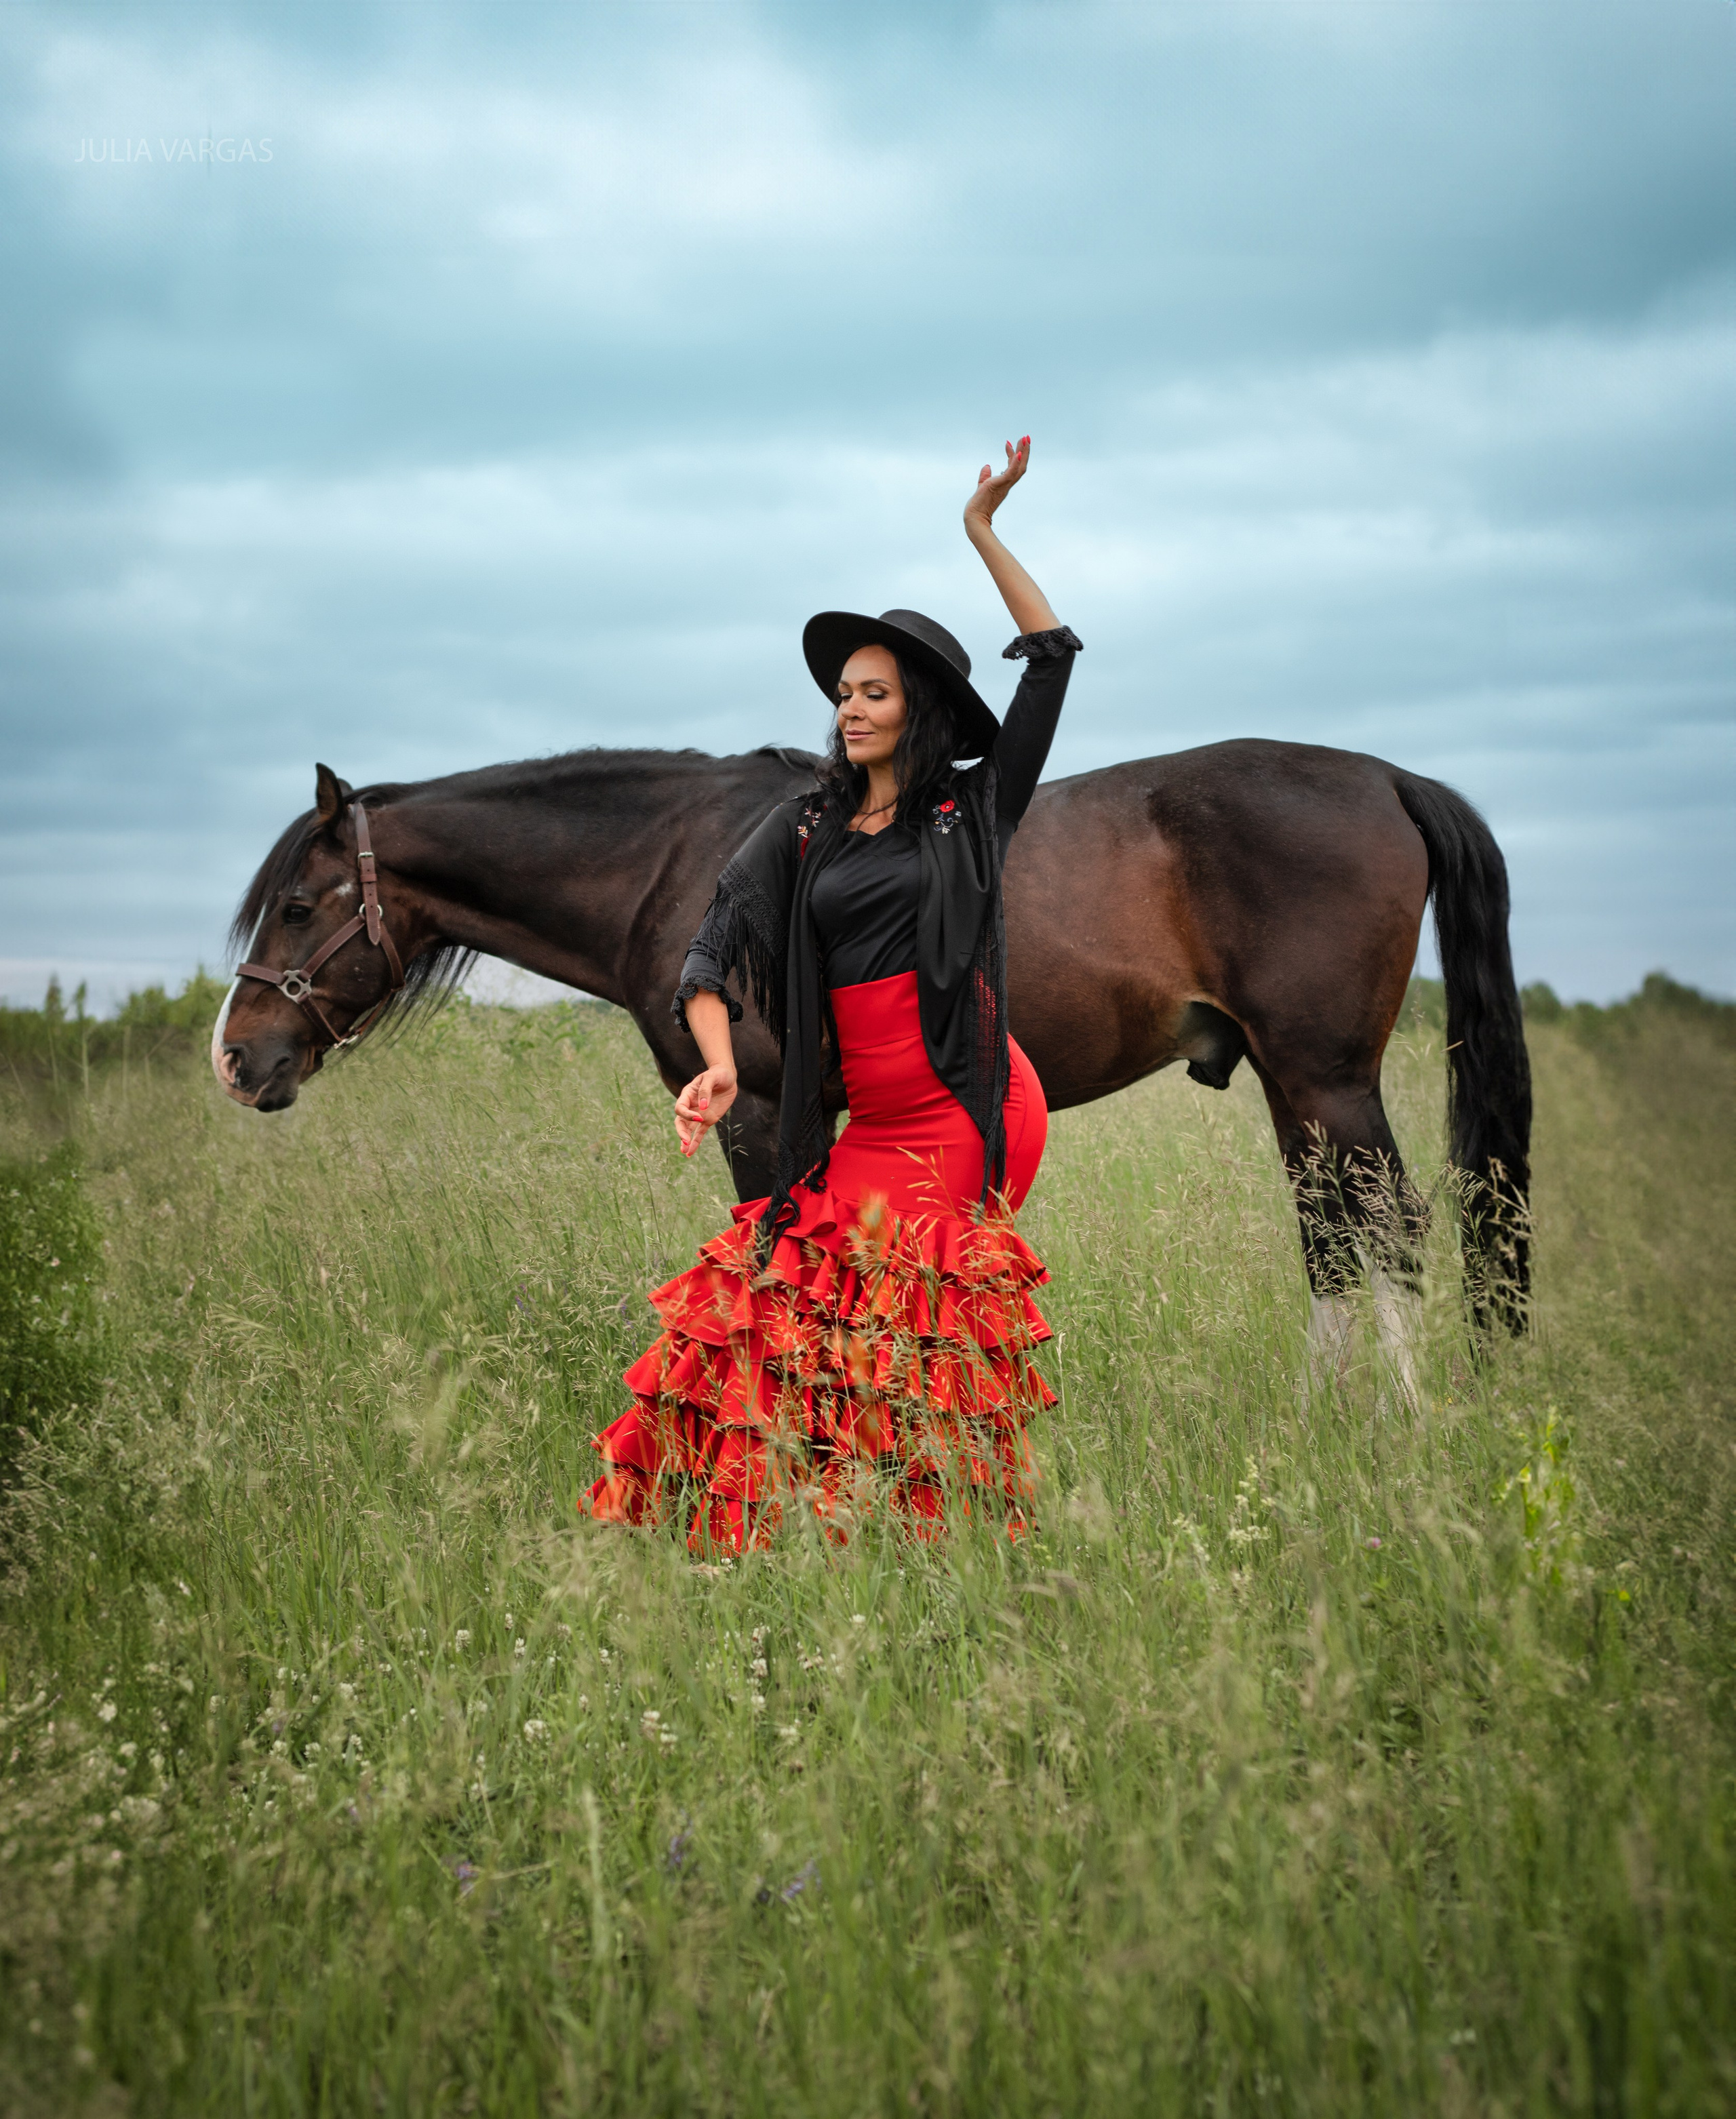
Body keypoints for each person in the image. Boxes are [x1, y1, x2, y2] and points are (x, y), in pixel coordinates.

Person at [581, 437, 1082, 1549]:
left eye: (873, 693)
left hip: (968, 1104)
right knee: (753, 1305)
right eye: (843, 693)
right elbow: (709, 951)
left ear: (923, 709)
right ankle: (769, 1536)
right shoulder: (805, 822)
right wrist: (715, 1059)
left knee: (910, 1324)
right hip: (866, 1127)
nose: (849, 710)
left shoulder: (969, 811)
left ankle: (941, 1542)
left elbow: (1048, 657)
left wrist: (983, 530)